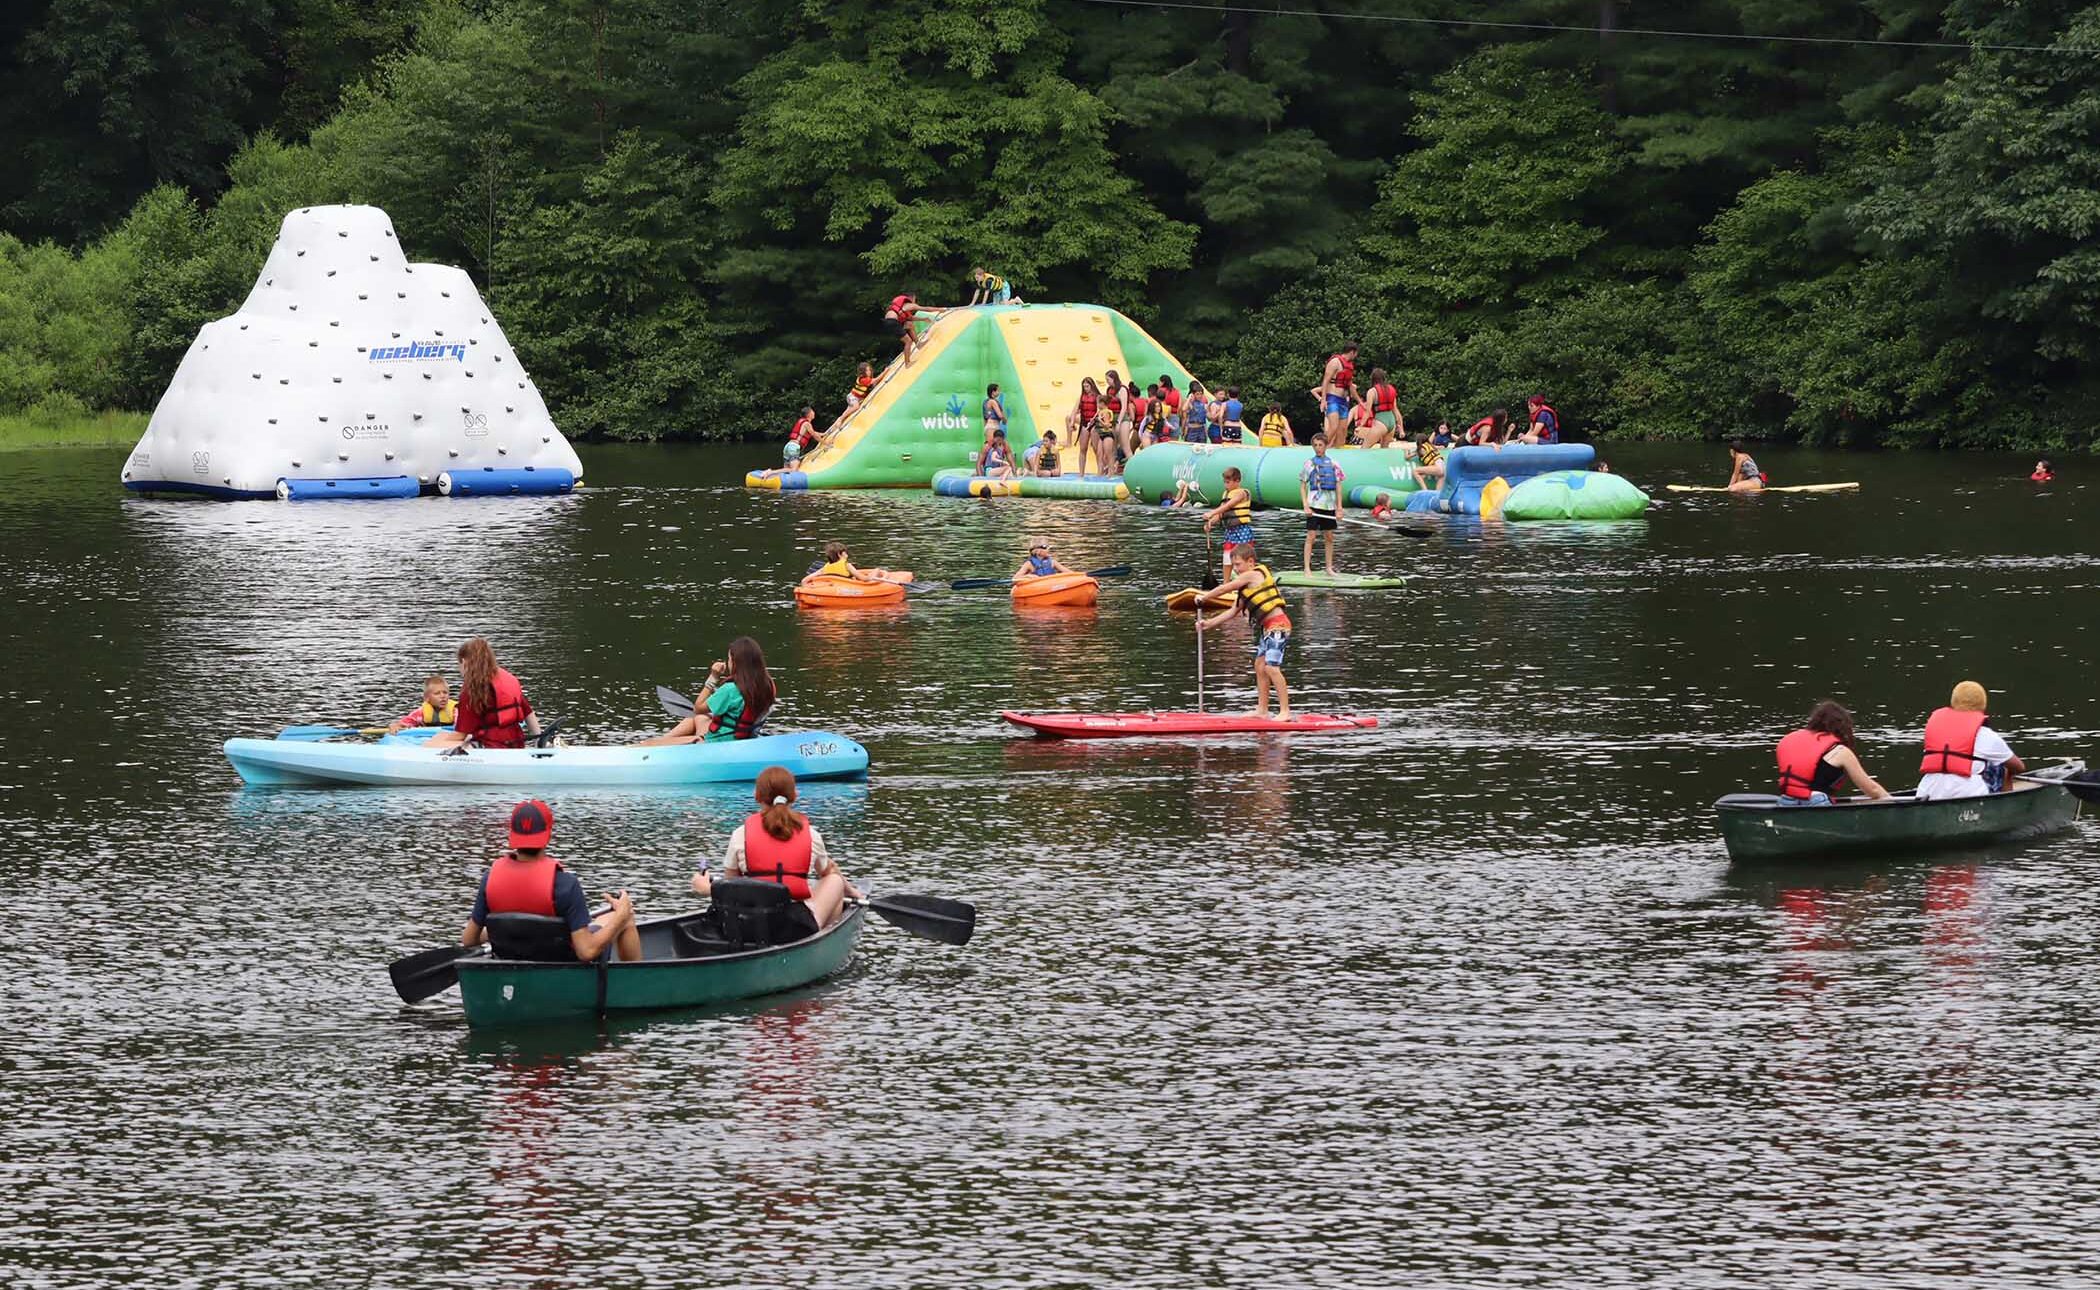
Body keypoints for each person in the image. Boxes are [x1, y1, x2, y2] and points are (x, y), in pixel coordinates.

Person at [462, 799, 642, 963]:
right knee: (626, 918)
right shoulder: (566, 884)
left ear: (512, 834)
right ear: (548, 834)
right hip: (561, 970)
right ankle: (633, 990)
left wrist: (508, 930)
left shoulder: (490, 879)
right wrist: (620, 915)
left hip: (513, 961)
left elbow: (469, 940)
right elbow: (586, 951)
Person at [694, 767, 861, 932]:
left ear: (756, 796)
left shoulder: (740, 834)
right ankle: (824, 940)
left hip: (748, 925)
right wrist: (853, 893)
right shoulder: (812, 835)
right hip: (795, 928)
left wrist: (706, 887)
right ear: (794, 796)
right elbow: (829, 871)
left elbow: (731, 885)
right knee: (834, 880)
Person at [1195, 545, 1292, 721]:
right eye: (1233, 566)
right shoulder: (1245, 590)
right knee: (1259, 666)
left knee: (1271, 667)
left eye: (1238, 565)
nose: (1236, 570)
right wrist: (1208, 624)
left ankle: (1285, 711)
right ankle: (1262, 709)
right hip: (1267, 629)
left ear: (1250, 562)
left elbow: (1224, 588)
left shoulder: (1253, 574)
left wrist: (1204, 597)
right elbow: (1232, 612)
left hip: (1278, 626)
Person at [639, 636, 777, 747]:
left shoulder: (730, 690)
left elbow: (698, 708)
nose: (727, 663)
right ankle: (665, 740)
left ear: (735, 662)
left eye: (729, 659)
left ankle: (654, 746)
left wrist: (713, 677)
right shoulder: (768, 685)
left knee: (648, 744)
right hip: (742, 739)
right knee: (698, 719)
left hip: (716, 744)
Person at [1917, 681, 2025, 801]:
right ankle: (2006, 806)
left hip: (1927, 793)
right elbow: (2019, 767)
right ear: (1983, 705)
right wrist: (2008, 775)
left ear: (1953, 702)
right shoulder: (1986, 734)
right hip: (1968, 794)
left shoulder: (1935, 728)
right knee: (2001, 766)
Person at [429, 638, 538, 749]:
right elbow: (528, 713)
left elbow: (461, 734)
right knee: (442, 736)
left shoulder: (471, 690)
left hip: (490, 746)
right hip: (517, 743)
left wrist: (439, 740)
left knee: (433, 742)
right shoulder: (507, 680)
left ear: (464, 662)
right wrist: (538, 740)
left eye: (459, 664)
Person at [1774, 701, 1890, 805]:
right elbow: (1872, 790)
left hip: (1787, 801)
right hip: (1817, 802)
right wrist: (1891, 800)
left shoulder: (1791, 741)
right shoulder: (1840, 751)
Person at [1202, 466, 1258, 583]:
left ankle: (1248, 582)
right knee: (1227, 559)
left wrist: (1211, 512)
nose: (1226, 485)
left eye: (1228, 482)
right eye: (1225, 482)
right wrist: (1210, 523)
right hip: (1230, 532)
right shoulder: (1226, 494)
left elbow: (1228, 506)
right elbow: (1222, 514)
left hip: (1242, 531)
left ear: (1237, 481)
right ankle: (1226, 585)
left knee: (1244, 558)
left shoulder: (1242, 493)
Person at [1299, 433, 1345, 575]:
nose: (1318, 448)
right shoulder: (1309, 464)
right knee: (1311, 536)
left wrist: (1339, 508)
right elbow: (1302, 486)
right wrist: (1305, 505)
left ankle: (1329, 568)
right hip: (1314, 505)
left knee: (1329, 536)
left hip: (1329, 506)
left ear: (1326, 446)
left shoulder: (1334, 464)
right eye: (1315, 445)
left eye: (1320, 445)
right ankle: (1307, 568)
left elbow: (1338, 486)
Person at [1315, 343, 1360, 446]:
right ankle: (1320, 449)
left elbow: (1350, 386)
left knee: (1343, 432)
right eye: (1356, 354)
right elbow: (1325, 381)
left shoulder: (1349, 366)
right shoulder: (1335, 362)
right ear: (1352, 352)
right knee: (1333, 427)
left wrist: (1360, 402)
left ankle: (1338, 452)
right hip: (1332, 399)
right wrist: (1323, 400)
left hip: (1343, 401)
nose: (1356, 356)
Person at [386, 673, 456, 735]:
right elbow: (404, 723)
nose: (442, 696)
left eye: (445, 692)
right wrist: (394, 725)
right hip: (427, 738)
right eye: (437, 693)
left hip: (448, 736)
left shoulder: (455, 711)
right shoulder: (420, 713)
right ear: (427, 698)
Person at [885, 292, 943, 366]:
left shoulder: (902, 306)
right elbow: (925, 309)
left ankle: (918, 344)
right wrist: (939, 309)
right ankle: (907, 363)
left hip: (889, 322)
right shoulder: (909, 305)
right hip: (892, 322)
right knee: (908, 341)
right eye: (914, 299)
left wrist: (923, 319)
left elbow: (911, 318)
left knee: (909, 325)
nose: (915, 301)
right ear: (911, 298)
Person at [1067, 377, 1105, 475]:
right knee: (1083, 449)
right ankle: (1081, 473)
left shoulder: (1097, 397)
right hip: (1084, 423)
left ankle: (1100, 471)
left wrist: (1093, 420)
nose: (1085, 388)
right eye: (1084, 387)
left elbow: (1099, 410)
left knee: (1096, 449)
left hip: (1095, 424)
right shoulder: (1081, 397)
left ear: (1092, 386)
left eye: (1087, 386)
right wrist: (1071, 423)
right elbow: (1074, 411)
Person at [1362, 368, 1402, 448]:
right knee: (1384, 449)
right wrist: (1400, 427)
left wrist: (1361, 425)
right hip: (1392, 421)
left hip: (1380, 421)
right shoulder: (1391, 389)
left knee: (1364, 448)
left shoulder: (1372, 391)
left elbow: (1367, 411)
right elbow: (1396, 410)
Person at [811, 541, 886, 583]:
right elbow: (865, 579)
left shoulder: (824, 568)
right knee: (876, 570)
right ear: (839, 554)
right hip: (847, 589)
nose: (847, 554)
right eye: (845, 552)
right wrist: (876, 571)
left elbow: (805, 580)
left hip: (834, 588)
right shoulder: (847, 566)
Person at [974, 384, 1008, 474]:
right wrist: (1005, 420)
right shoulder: (993, 402)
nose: (999, 392)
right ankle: (980, 470)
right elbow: (1000, 415)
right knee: (989, 447)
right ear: (993, 392)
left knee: (990, 447)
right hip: (993, 426)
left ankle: (984, 469)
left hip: (989, 426)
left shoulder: (986, 402)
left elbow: (985, 418)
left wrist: (986, 429)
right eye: (997, 390)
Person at [1182, 379, 1212, 444]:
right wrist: (1189, 398)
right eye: (1197, 394)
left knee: (1202, 446)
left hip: (1201, 429)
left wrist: (1209, 411)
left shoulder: (1204, 405)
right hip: (1192, 429)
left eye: (1201, 394)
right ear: (1193, 394)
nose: (1199, 396)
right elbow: (1184, 409)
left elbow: (1209, 418)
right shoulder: (1190, 403)